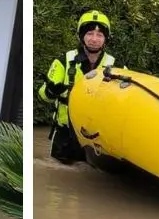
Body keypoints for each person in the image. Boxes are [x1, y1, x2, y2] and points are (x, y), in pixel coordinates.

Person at [38, 10, 116, 164]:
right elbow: (42, 96)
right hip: (65, 134)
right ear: (81, 36)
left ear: (106, 39)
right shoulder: (63, 61)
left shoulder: (115, 65)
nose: (94, 39)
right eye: (90, 34)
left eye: (99, 35)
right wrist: (50, 91)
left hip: (97, 138)